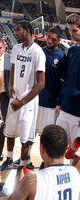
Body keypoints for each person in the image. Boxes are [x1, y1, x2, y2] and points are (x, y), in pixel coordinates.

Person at [0, 21, 45, 173]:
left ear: (27, 31)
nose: (15, 32)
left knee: (25, 136)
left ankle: (23, 164)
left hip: (28, 101)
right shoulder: (17, 48)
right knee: (9, 132)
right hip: (15, 98)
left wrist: (22, 102)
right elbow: (13, 67)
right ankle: (9, 159)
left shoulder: (38, 52)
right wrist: (10, 84)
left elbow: (41, 84)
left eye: (18, 30)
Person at [8, 125, 80, 200]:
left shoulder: (32, 179)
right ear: (65, 148)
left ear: (42, 149)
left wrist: (18, 186)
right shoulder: (75, 172)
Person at [56, 13, 80, 159]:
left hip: (78, 111)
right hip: (65, 107)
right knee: (57, 144)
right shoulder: (71, 50)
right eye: (70, 30)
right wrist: (59, 101)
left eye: (75, 31)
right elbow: (66, 79)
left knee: (76, 153)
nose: (71, 34)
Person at [36, 27, 66, 134]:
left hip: (51, 104)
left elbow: (62, 83)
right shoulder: (40, 52)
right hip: (35, 100)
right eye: (48, 37)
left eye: (53, 39)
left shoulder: (62, 57)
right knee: (30, 133)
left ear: (59, 41)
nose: (49, 41)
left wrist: (59, 102)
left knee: (46, 135)